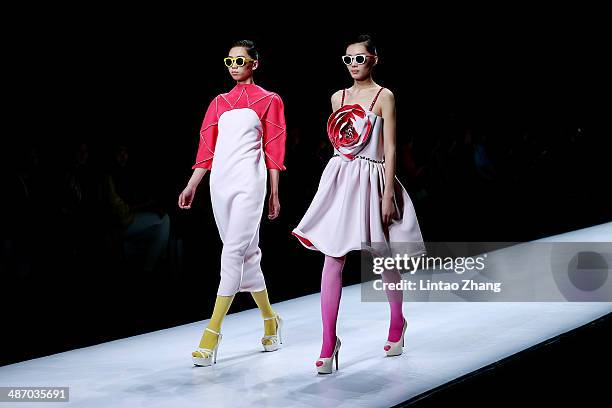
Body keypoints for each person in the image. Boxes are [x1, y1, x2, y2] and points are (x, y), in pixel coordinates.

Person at [291, 35, 426, 374]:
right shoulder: (338, 97)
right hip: (342, 177)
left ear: (374, 59)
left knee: (383, 256)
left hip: (374, 178)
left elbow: (391, 147)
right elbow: (341, 142)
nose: (353, 65)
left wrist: (387, 193)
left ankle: (397, 324)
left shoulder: (385, 96)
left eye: (360, 59)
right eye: (348, 60)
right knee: (332, 256)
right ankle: (328, 342)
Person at [178, 40, 287, 367]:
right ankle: (271, 320)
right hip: (220, 185)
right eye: (229, 60)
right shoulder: (218, 103)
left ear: (255, 63)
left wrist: (274, 191)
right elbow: (206, 150)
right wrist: (192, 184)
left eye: (240, 60)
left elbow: (274, 149)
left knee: (231, 253)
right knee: (247, 255)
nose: (234, 65)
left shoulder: (269, 100)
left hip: (250, 185)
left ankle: (211, 336)